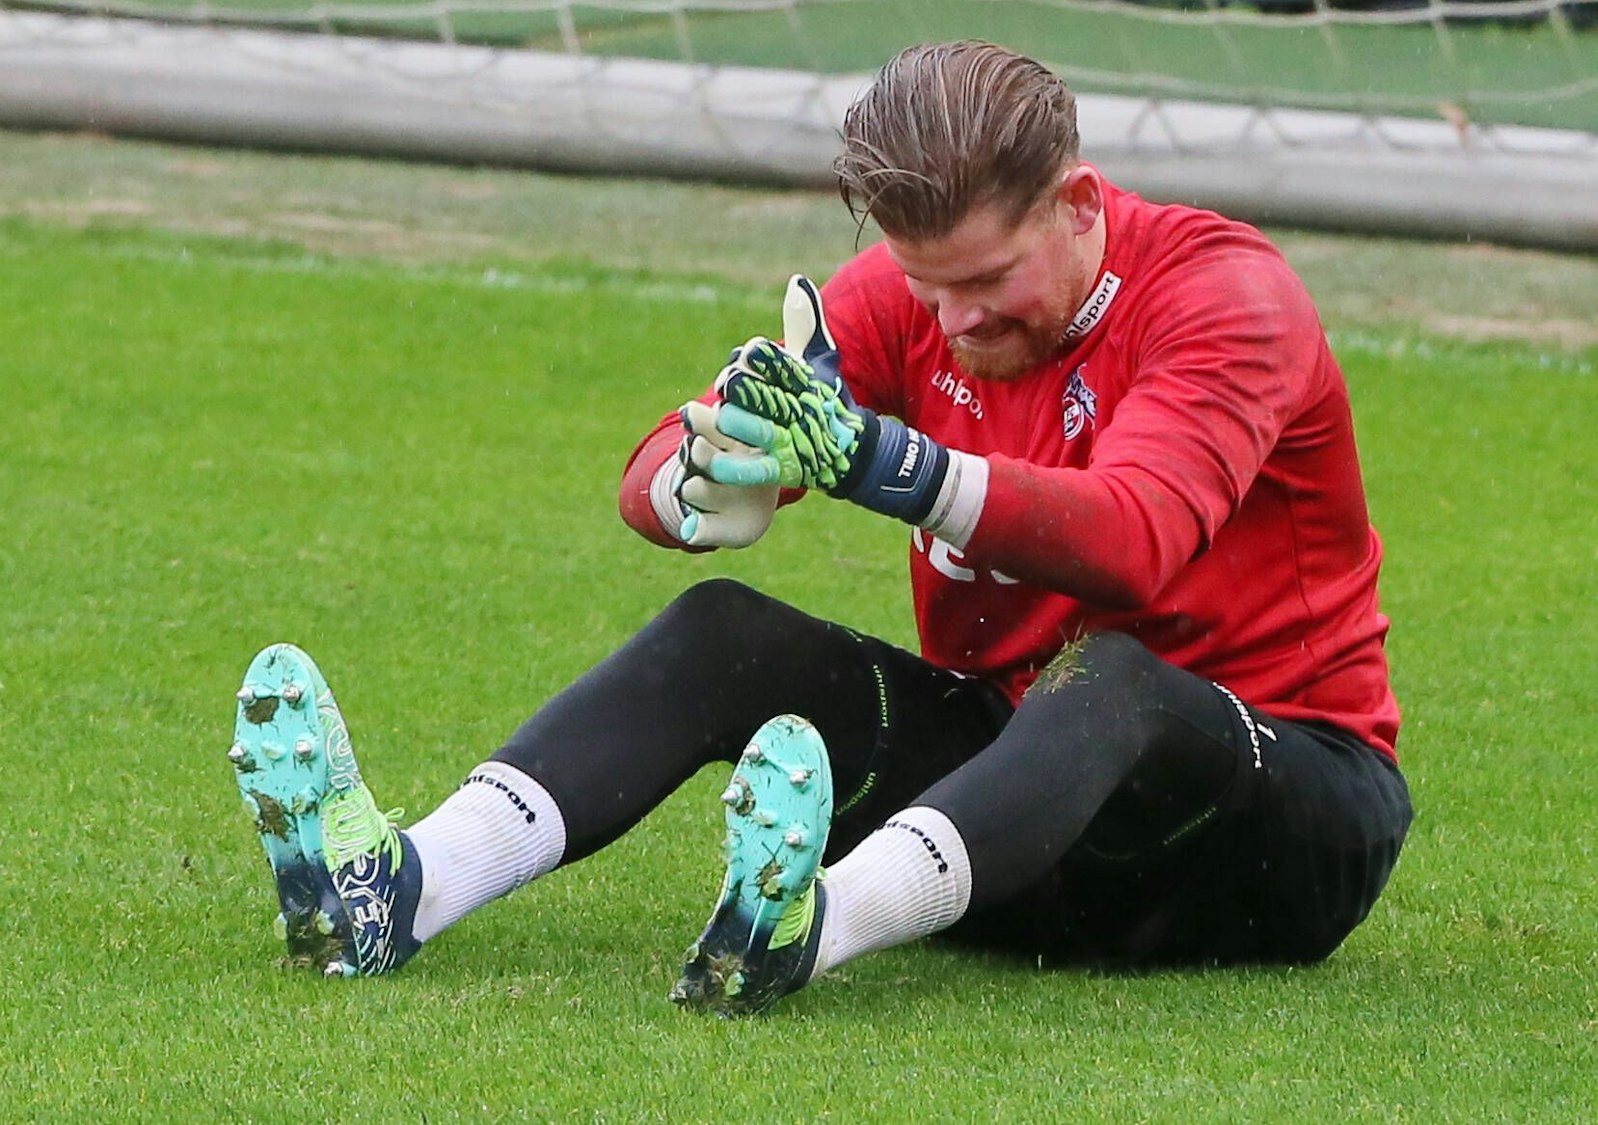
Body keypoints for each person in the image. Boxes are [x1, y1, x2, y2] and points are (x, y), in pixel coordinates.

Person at [224, 40, 1413, 1015]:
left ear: (1079, 205)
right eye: (923, 284)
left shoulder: (1223, 298)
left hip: (1275, 832)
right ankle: (395, 891)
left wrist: (884, 461)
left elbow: (1133, 540)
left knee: (1112, 678)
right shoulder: (913, 298)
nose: (948, 322)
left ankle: (805, 927)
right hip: (1025, 827)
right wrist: (700, 485)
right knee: (717, 629)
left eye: (986, 280)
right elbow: (656, 460)